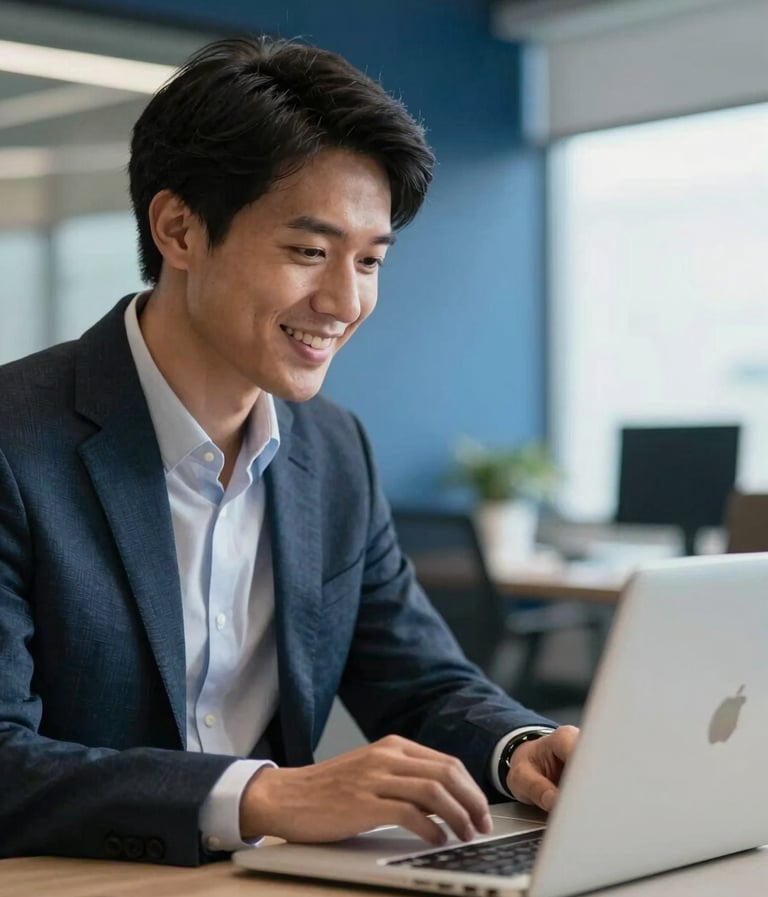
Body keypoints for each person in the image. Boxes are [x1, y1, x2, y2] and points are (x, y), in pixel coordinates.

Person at [0, 36, 578, 867]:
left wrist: (518, 748)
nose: (345, 301)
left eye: (370, 260)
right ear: (179, 229)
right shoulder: (17, 442)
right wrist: (262, 794)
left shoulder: (333, 451)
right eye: (309, 251)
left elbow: (420, 678)